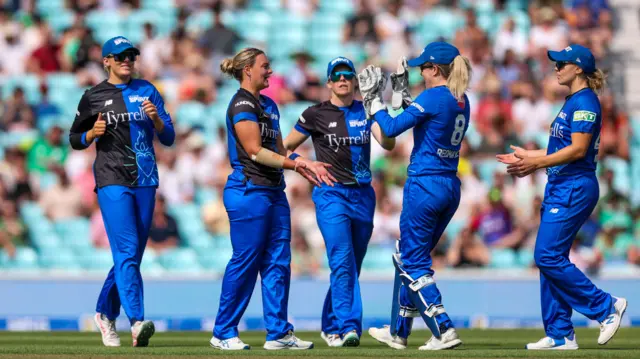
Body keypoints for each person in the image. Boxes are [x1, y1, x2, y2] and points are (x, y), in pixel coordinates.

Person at [497, 44, 627, 350]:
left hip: (574, 186)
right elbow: (561, 150)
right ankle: (560, 333)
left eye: (561, 64)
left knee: (546, 255)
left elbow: (579, 150)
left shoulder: (585, 103)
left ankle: (606, 307)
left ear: (578, 68)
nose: (556, 68)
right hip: (561, 185)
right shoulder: (572, 102)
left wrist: (535, 163)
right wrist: (529, 155)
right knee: (549, 257)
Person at [210, 47, 326, 351]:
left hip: (273, 192)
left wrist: (305, 162)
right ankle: (223, 331)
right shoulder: (242, 104)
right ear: (248, 69)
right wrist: (295, 165)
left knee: (278, 262)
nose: (271, 71)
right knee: (246, 261)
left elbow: (279, 149)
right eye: (265, 66)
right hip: (249, 191)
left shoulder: (270, 105)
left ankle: (278, 333)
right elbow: (254, 151)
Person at [361, 41, 471, 350]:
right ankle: (399, 332)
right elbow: (422, 119)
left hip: (425, 184)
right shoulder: (461, 99)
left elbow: (393, 127)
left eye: (423, 67)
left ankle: (443, 328)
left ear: (435, 69)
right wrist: (400, 94)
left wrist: (374, 102)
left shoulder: (435, 96)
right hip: (449, 185)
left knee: (413, 260)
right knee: (407, 254)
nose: (420, 72)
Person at [68, 36, 176, 347]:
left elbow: (168, 137)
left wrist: (155, 119)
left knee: (131, 256)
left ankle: (103, 313)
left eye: (130, 55)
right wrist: (91, 133)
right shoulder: (94, 96)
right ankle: (137, 321)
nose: (127, 60)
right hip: (111, 179)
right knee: (127, 251)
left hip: (145, 179)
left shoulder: (148, 90)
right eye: (120, 56)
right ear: (106, 62)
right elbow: (74, 138)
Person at [283, 56, 395, 347]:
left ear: (355, 81)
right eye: (338, 75)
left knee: (351, 265)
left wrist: (379, 106)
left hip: (363, 196)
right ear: (329, 82)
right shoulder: (314, 114)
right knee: (342, 260)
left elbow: (389, 142)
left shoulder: (367, 110)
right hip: (331, 194)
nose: (343, 79)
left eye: (348, 74)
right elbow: (285, 148)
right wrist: (304, 163)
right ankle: (348, 327)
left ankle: (330, 325)